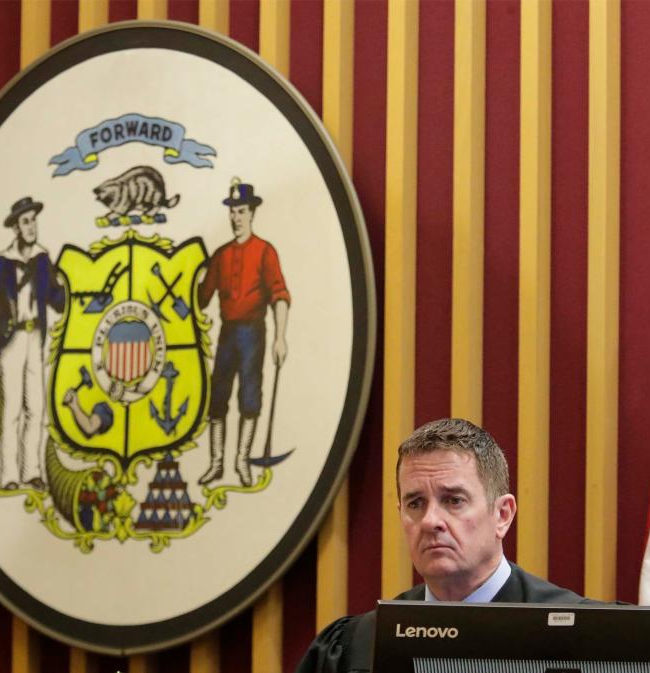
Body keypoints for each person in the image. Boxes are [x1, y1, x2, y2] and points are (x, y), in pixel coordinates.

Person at [295, 418, 587, 673]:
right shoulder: (357, 646)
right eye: (415, 503)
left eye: (454, 500)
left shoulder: (583, 636)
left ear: (502, 515)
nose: (430, 521)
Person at [196, 178, 290, 487]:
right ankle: (216, 462)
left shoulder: (265, 251)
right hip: (227, 332)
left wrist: (280, 337)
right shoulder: (220, 255)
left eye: (241, 211)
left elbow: (279, 295)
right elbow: (201, 297)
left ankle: (242, 460)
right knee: (218, 397)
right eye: (233, 211)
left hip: (253, 332)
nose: (236, 217)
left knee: (250, 397)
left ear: (252, 213)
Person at [0, 196, 65, 491]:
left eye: (34, 220)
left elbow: (57, 299)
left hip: (36, 338)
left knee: (37, 408)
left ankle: (31, 471)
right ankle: (9, 476)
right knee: (12, 409)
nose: (32, 226)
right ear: (16, 228)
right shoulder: (2, 263)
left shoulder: (42, 259)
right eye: (26, 221)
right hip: (12, 339)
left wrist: (73, 289)